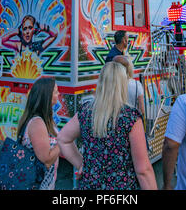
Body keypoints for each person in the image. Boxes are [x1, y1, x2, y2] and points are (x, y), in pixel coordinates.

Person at [57, 62, 157, 190]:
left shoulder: (85, 111)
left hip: (90, 185)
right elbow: (143, 170)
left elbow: (63, 139)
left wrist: (82, 164)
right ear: (122, 84)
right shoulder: (130, 117)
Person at [17, 77, 60, 190]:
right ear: (47, 96)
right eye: (56, 91)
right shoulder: (37, 123)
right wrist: (63, 141)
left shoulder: (44, 119)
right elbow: (46, 160)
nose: (59, 94)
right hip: (37, 185)